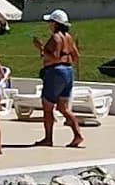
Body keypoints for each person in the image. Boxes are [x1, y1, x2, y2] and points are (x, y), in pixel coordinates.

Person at [32, 9, 84, 148]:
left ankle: (48, 138)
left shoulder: (56, 37)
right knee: (63, 107)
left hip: (55, 72)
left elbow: (53, 56)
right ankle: (77, 134)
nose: (48, 24)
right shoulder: (68, 37)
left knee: (47, 106)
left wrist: (41, 48)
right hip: (68, 71)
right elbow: (76, 56)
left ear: (55, 24)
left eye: (50, 22)